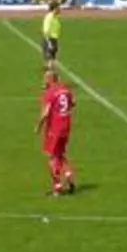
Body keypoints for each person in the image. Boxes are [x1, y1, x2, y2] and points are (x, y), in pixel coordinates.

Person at [36, 65, 77, 196]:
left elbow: (46, 113)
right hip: (66, 126)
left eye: (45, 79)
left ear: (50, 79)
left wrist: (38, 126)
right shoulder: (65, 90)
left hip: (54, 128)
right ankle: (69, 175)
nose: (43, 81)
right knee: (60, 154)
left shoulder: (49, 93)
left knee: (52, 157)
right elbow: (73, 102)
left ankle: (57, 187)